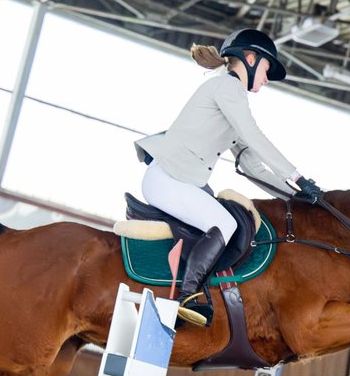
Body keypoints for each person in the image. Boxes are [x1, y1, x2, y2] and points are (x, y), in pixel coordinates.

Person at [134, 28, 322, 327]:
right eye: (265, 68)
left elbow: (252, 166)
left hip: (178, 180)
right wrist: (297, 177)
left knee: (226, 220)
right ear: (249, 59)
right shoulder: (227, 87)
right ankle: (187, 296)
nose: (266, 78)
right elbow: (255, 136)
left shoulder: (231, 100)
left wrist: (293, 197)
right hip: (168, 178)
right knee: (225, 222)